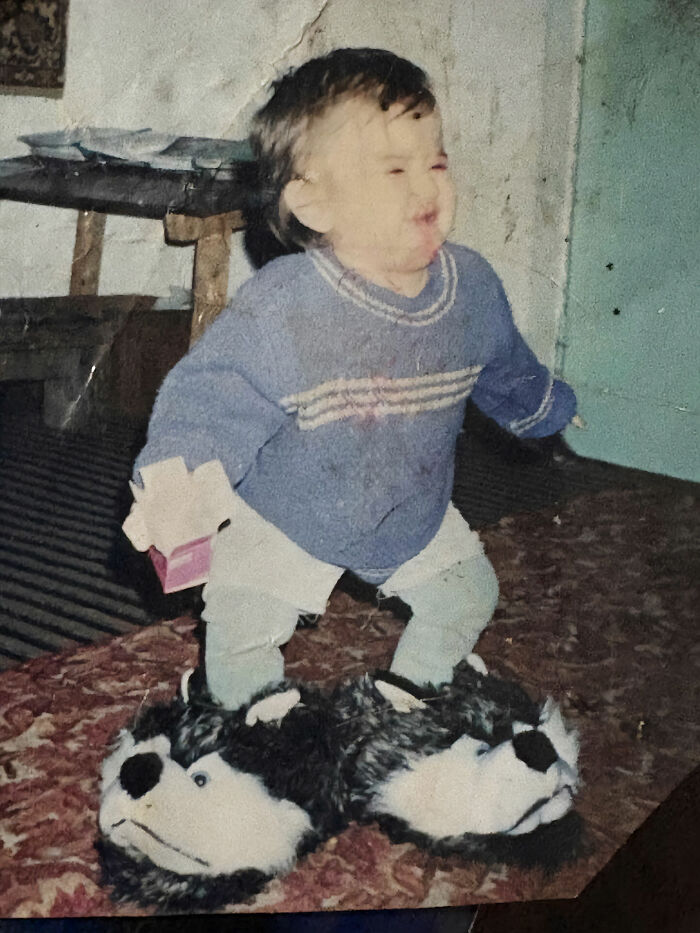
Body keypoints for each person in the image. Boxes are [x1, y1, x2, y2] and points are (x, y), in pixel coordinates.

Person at [126, 48, 576, 710]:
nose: (425, 186)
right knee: (243, 626)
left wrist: (544, 410)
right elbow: (208, 402)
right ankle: (246, 719)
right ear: (312, 201)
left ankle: (409, 695)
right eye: (394, 168)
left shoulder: (471, 286)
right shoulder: (287, 305)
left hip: (408, 510)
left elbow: (505, 363)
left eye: (436, 163)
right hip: (287, 511)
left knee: (467, 591)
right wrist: (176, 490)